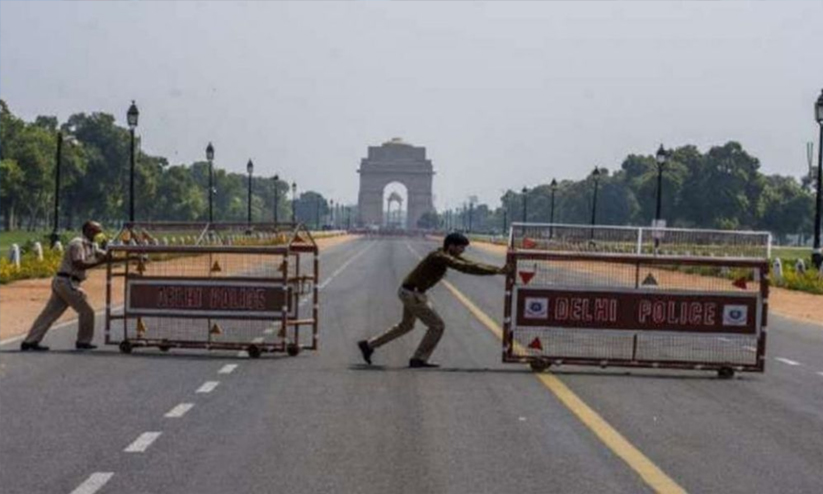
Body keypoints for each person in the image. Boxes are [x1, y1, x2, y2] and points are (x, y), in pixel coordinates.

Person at [358, 232, 511, 368]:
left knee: (406, 326)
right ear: (451, 246)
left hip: (411, 292)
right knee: (437, 326)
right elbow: (464, 267)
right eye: (461, 248)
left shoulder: (444, 255)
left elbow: (469, 263)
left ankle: (369, 345)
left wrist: (497, 269)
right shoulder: (440, 257)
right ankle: (418, 359)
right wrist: (497, 271)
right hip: (412, 294)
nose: (462, 251)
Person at [20, 220, 111, 351]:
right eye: (96, 230)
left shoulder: (91, 245)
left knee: (49, 314)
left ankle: (30, 341)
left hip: (64, 282)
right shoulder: (77, 244)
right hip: (67, 282)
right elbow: (78, 264)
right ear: (88, 231)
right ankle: (83, 341)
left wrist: (131, 258)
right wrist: (99, 262)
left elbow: (107, 258)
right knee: (87, 311)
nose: (99, 233)